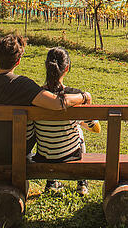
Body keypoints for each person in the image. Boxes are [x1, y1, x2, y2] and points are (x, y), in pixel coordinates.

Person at [0, 34, 91, 163]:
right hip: (16, 149)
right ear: (18, 61)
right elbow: (57, 103)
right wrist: (84, 96)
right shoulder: (21, 84)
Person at [32, 47, 99, 195]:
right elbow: (95, 127)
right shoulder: (75, 96)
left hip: (44, 156)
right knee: (79, 131)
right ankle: (82, 182)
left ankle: (51, 182)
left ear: (46, 66)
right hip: (71, 154)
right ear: (67, 68)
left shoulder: (37, 96)